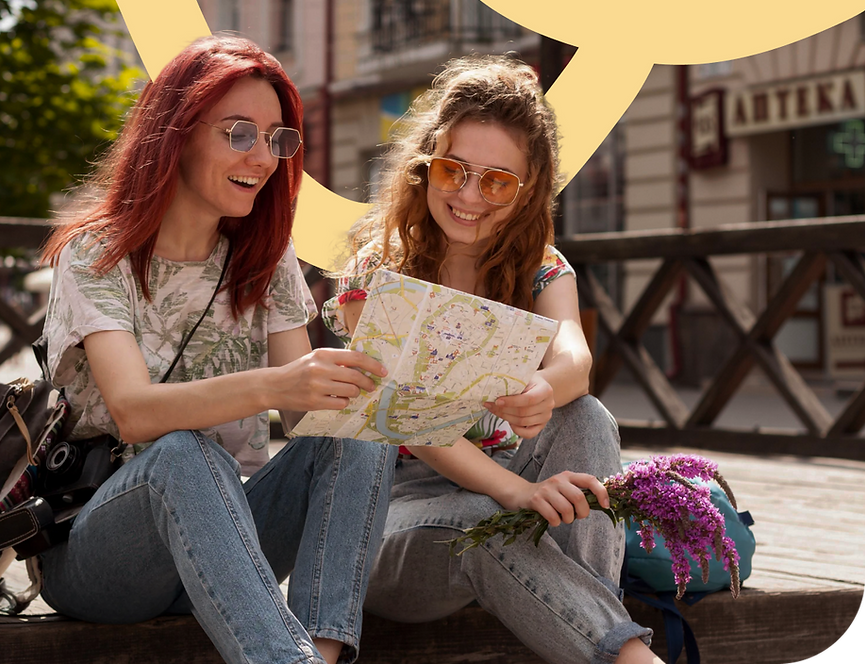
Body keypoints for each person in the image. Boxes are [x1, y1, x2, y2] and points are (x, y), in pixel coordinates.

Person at [38, 35, 394, 664]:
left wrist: (389, 373)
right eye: (239, 133)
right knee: (183, 452)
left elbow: (307, 422)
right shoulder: (95, 254)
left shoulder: (267, 256)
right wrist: (276, 384)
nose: (262, 157)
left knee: (356, 438)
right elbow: (133, 412)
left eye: (277, 139)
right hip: (100, 556)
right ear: (175, 135)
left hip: (227, 547)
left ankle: (320, 653)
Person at [323, 54, 660, 664]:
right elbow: (408, 422)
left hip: (509, 492)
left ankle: (586, 621)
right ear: (426, 166)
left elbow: (576, 360)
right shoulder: (377, 272)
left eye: (498, 181)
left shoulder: (541, 266)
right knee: (484, 518)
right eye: (452, 170)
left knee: (585, 416)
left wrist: (544, 390)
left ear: (528, 190)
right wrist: (516, 493)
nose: (469, 196)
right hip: (391, 520)